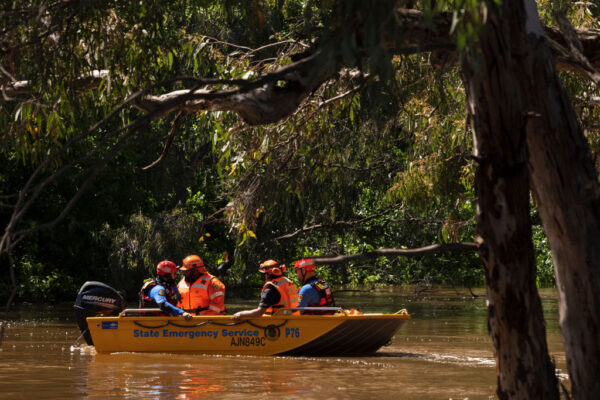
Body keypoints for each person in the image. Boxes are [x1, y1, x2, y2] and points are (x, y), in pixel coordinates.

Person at [232, 259, 298, 320]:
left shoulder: (271, 289)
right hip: (294, 321)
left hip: (279, 323)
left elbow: (259, 312)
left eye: (264, 274)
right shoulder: (286, 282)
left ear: (268, 275)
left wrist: (241, 314)